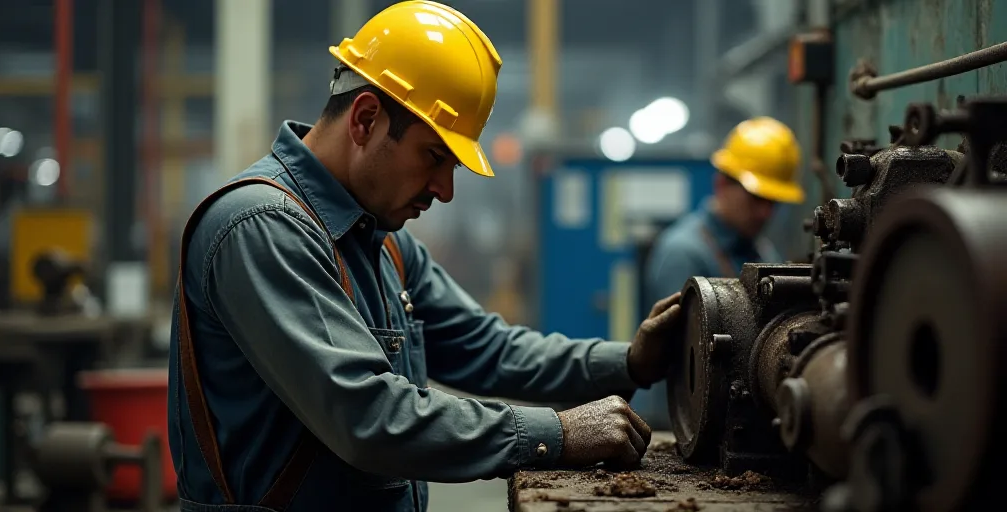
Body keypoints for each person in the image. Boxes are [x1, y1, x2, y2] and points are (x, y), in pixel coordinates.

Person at [167, 2, 682, 511]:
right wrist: (557, 434)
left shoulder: (384, 242)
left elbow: (488, 348)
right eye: (435, 157)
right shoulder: (262, 227)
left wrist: (629, 361)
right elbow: (366, 417)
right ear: (366, 119)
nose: (445, 189)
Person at [629, 117, 804, 429]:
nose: (766, 212)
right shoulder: (682, 252)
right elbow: (686, 361)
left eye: (773, 202)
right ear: (722, 184)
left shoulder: (762, 251)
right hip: (676, 424)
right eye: (757, 199)